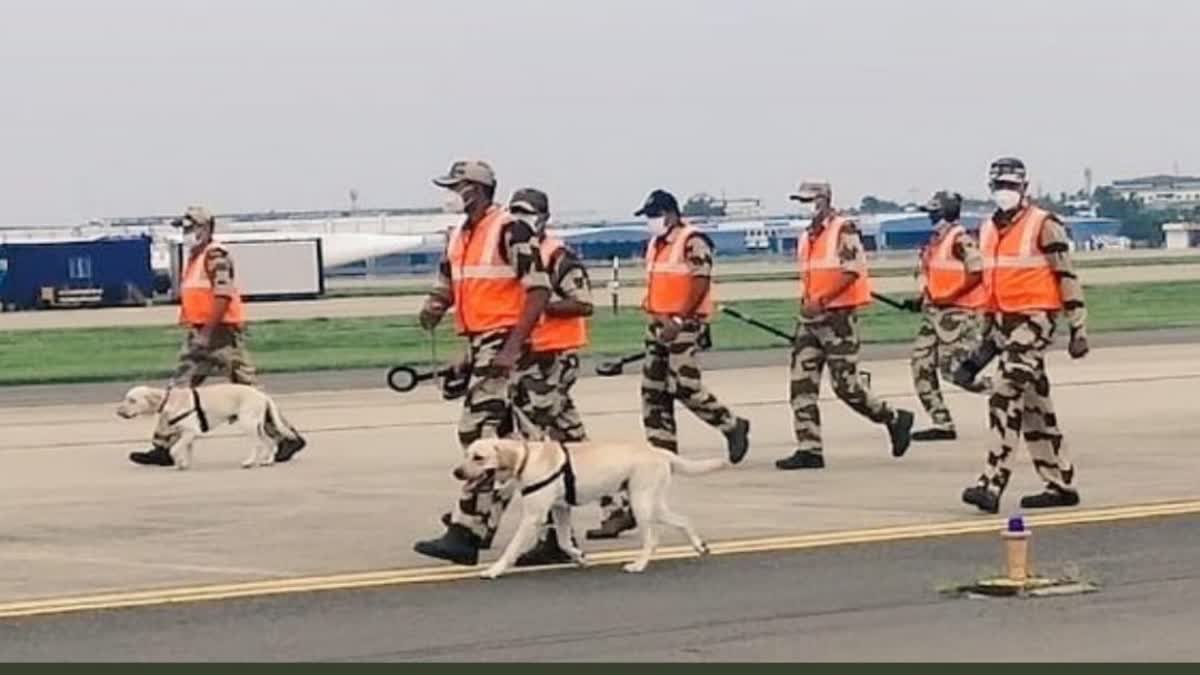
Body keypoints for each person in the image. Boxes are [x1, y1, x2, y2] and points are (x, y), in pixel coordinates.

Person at [588, 189, 752, 541]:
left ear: (671, 213)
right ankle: (660, 455)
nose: (651, 221)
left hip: (685, 325)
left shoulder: (693, 242)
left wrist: (679, 318)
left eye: (655, 214)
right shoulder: (657, 245)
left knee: (685, 386)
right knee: (653, 396)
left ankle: (732, 424)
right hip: (659, 326)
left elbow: (699, 282)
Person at [413, 160, 551, 566]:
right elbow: (449, 280)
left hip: (502, 341)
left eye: (457, 186)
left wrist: (510, 349)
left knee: (478, 434)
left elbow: (538, 290)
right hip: (479, 340)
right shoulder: (459, 235)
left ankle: (466, 532)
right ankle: (547, 533)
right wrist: (435, 307)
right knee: (518, 443)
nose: (452, 193)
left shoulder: (509, 228)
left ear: (477, 189)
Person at [129, 207, 306, 467]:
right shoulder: (194, 257)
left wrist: (208, 333)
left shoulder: (215, 256)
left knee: (246, 390)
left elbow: (223, 295)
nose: (187, 233)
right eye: (184, 229)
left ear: (207, 228)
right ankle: (165, 445)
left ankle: (284, 436)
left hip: (219, 333)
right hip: (200, 331)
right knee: (179, 388)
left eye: (191, 228)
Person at [961, 158, 1089, 514]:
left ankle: (991, 482)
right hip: (1004, 322)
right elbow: (992, 283)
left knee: (1004, 393)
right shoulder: (986, 229)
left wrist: (1078, 326)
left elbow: (1066, 275)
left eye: (1012, 186)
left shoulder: (1044, 225)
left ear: (1025, 188)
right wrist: (982, 348)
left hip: (1036, 321)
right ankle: (1060, 483)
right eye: (1000, 185)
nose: (1005, 192)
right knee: (1034, 404)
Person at [776, 181, 915, 471]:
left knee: (846, 386)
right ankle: (809, 448)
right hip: (810, 319)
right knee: (802, 385)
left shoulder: (843, 229)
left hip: (838, 318)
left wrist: (823, 299)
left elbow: (851, 271)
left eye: (809, 200)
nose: (804, 206)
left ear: (824, 200)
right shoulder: (807, 236)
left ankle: (892, 418)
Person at [506, 188, 594, 566]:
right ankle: (620, 498)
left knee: (536, 446)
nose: (521, 218)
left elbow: (583, 301)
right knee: (572, 440)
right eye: (515, 212)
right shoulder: (516, 254)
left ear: (544, 217)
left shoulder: (558, 256)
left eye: (528, 212)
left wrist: (542, 309)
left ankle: (549, 534)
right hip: (531, 358)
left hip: (553, 357)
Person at [908, 191, 991, 442]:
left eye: (934, 211)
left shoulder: (960, 239)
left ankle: (1007, 390)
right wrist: (926, 297)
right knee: (921, 366)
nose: (931, 216)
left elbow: (977, 271)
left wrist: (950, 296)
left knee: (955, 371)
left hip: (958, 315)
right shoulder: (935, 242)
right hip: (934, 314)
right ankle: (941, 422)